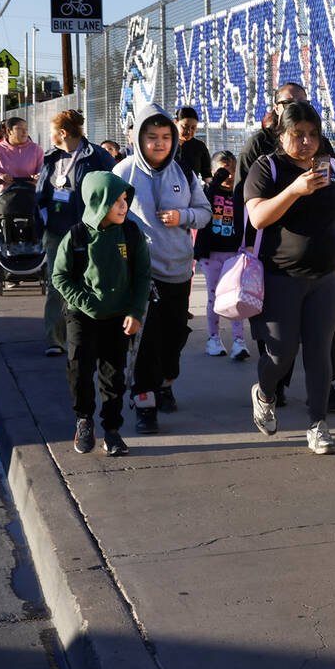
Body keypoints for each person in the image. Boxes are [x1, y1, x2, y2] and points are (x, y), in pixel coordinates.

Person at [239, 81, 335, 411]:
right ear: (281, 134)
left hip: (325, 276)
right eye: (298, 134)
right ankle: (265, 393)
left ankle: (318, 425)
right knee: (281, 353)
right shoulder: (267, 167)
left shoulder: (329, 165)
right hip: (281, 277)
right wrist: (294, 191)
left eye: (313, 134)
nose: (307, 142)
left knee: (319, 353)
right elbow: (258, 217)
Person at [114, 103, 212, 434]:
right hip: (141, 274)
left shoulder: (183, 172)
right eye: (151, 137)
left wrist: (182, 217)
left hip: (179, 270)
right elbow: (104, 217)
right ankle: (145, 403)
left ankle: (165, 381)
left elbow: (204, 212)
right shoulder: (122, 172)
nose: (158, 143)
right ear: (139, 138)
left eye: (165, 137)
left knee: (173, 339)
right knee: (146, 341)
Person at [51, 171, 152, 458]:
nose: (123, 206)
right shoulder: (77, 236)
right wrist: (86, 303)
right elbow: (59, 276)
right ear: (98, 202)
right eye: (116, 200)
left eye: (125, 200)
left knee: (113, 376)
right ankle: (84, 421)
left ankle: (112, 430)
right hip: (82, 316)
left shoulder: (131, 233)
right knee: (80, 370)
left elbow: (143, 276)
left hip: (118, 317)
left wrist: (135, 312)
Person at [36, 110, 119, 356]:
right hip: (55, 231)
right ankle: (55, 339)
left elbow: (112, 188)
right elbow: (42, 192)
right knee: (56, 284)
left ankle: (89, 337)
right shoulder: (51, 158)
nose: (49, 136)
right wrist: (39, 222)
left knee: (89, 283)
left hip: (87, 232)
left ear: (63, 133)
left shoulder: (98, 156)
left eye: (52, 131)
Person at [194, 150, 249, 360]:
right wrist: (216, 180)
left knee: (236, 298)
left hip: (233, 254)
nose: (230, 176)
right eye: (224, 171)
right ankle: (214, 339)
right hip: (211, 254)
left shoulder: (239, 193)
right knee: (213, 297)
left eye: (233, 170)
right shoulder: (208, 193)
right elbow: (204, 198)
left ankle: (238, 341)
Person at [0, 117, 44, 193]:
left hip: (30, 195)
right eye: (20, 128)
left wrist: (39, 176)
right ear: (9, 131)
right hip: (5, 197)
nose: (24, 132)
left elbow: (43, 169)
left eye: (26, 129)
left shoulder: (36, 149)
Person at [174, 106, 211, 184]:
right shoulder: (167, 145)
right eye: (185, 127)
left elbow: (207, 175)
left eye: (193, 128)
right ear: (175, 122)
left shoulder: (199, 147)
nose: (189, 131)